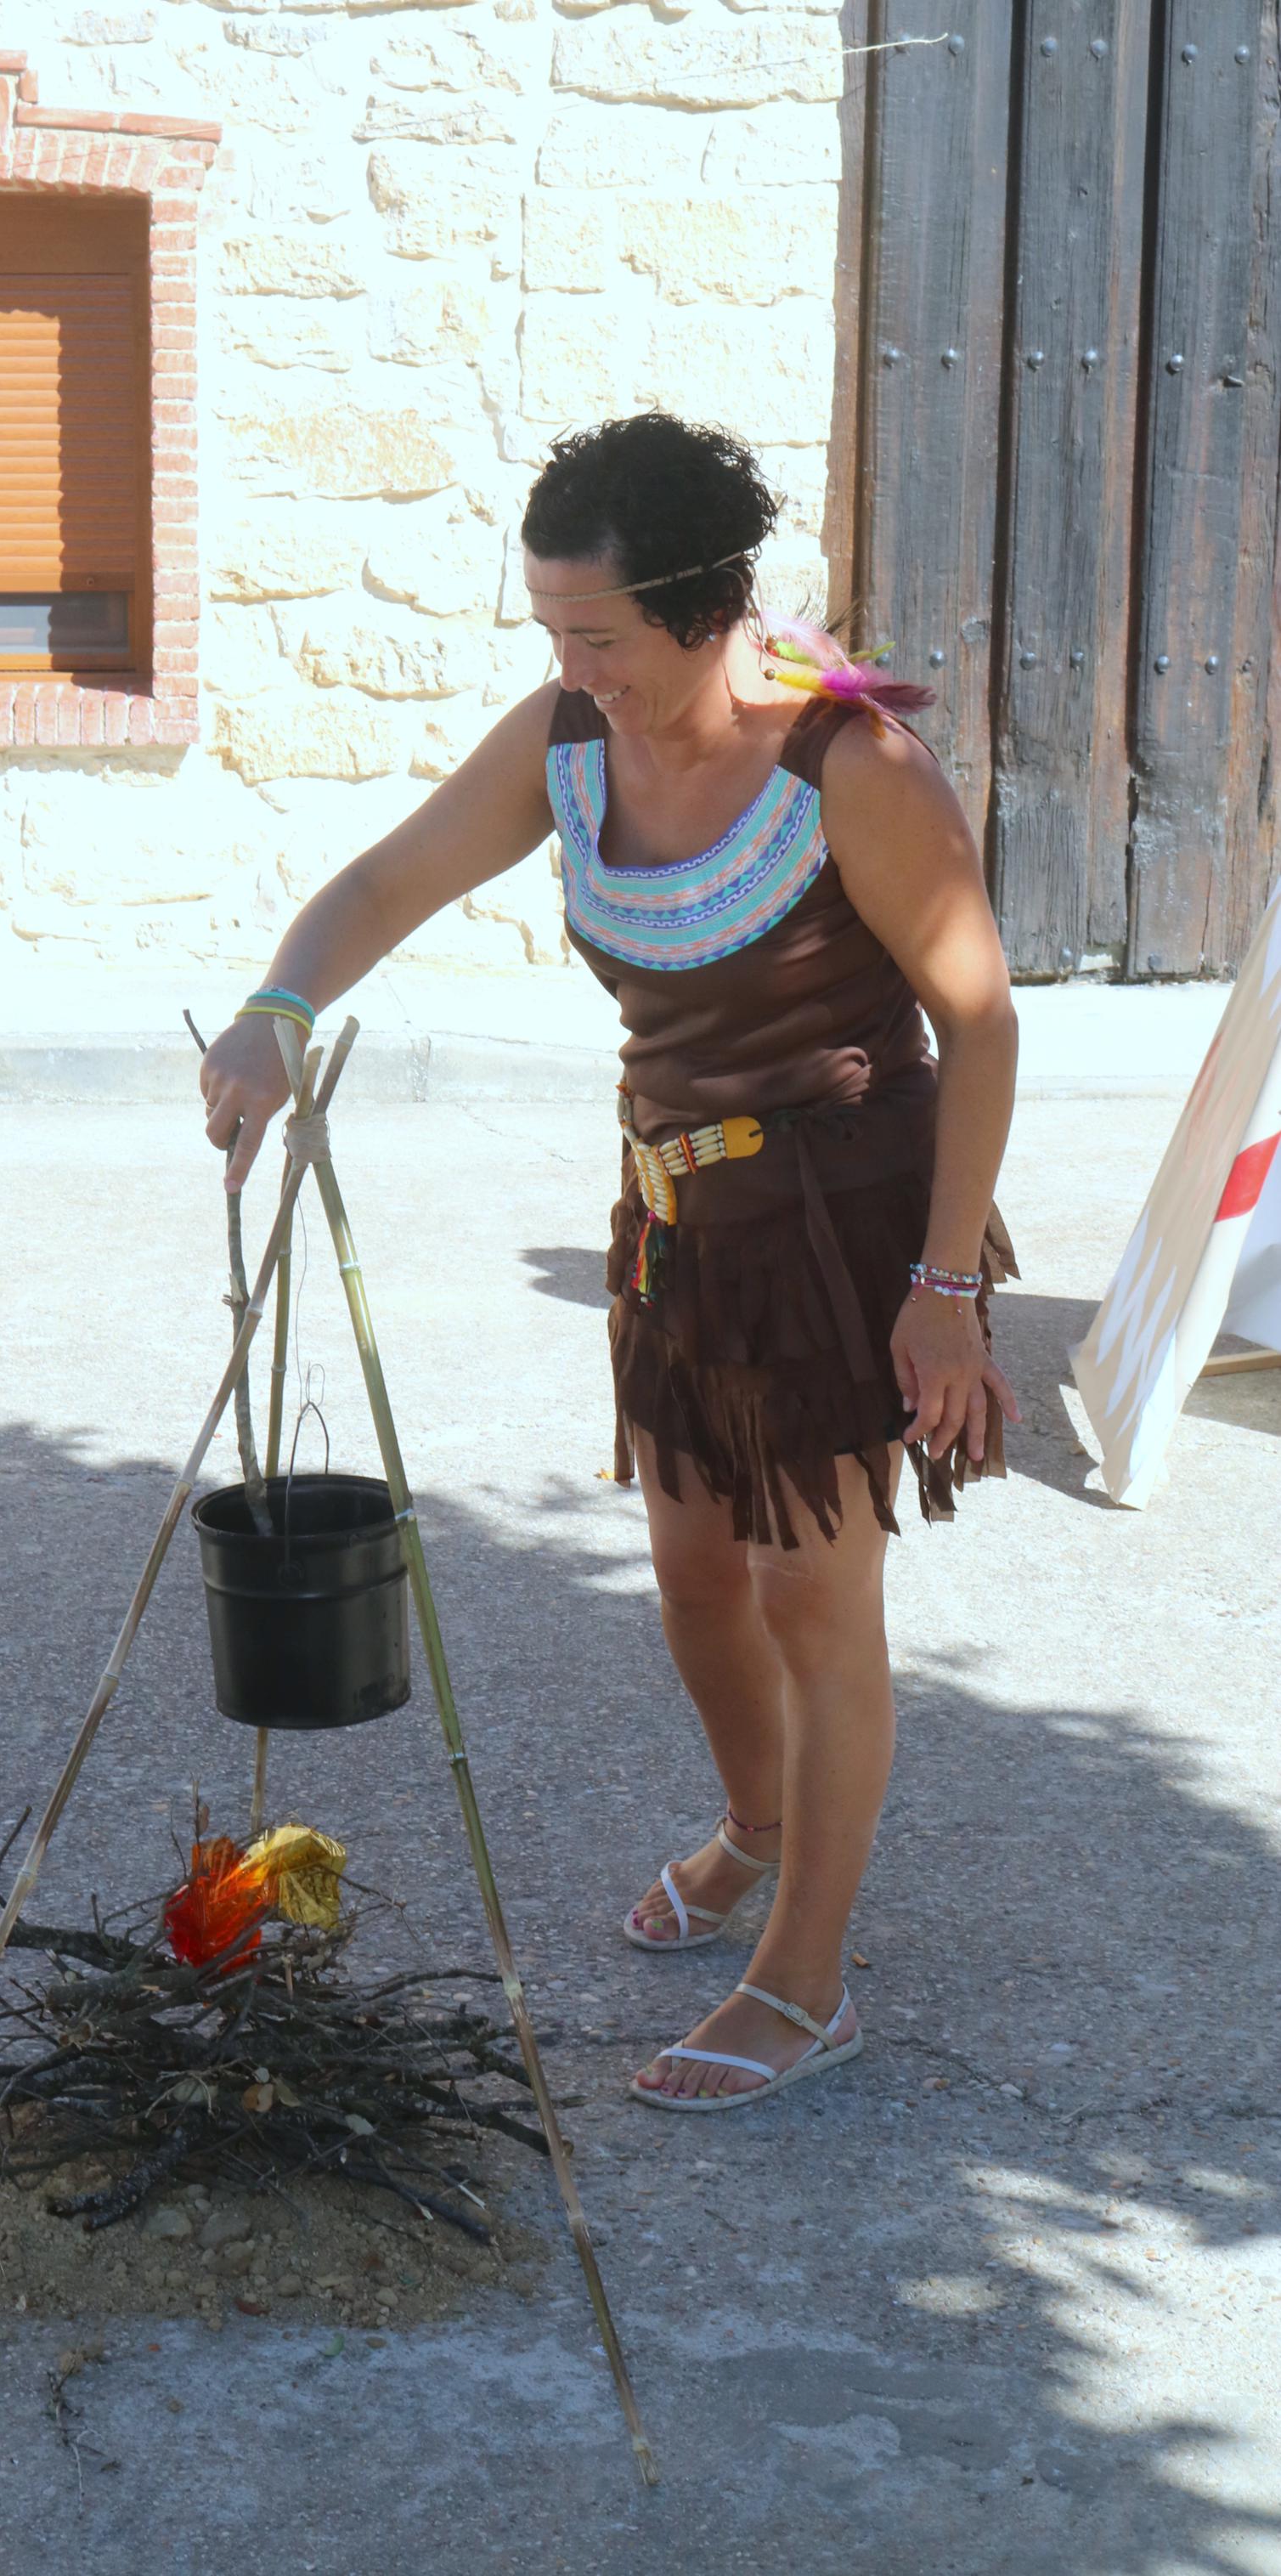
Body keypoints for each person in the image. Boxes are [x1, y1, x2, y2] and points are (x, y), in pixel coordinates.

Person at [200, 412, 1019, 2113]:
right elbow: (386, 880)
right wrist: (281, 1010)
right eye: (553, 635)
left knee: (813, 1589)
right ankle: (758, 1828)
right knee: (698, 1576)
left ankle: (805, 1980)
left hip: (844, 1230)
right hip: (673, 1224)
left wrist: (945, 1291)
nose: (577, 671)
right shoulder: (568, 741)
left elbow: (980, 1019)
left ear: (710, 611)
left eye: (602, 638)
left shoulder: (850, 771)